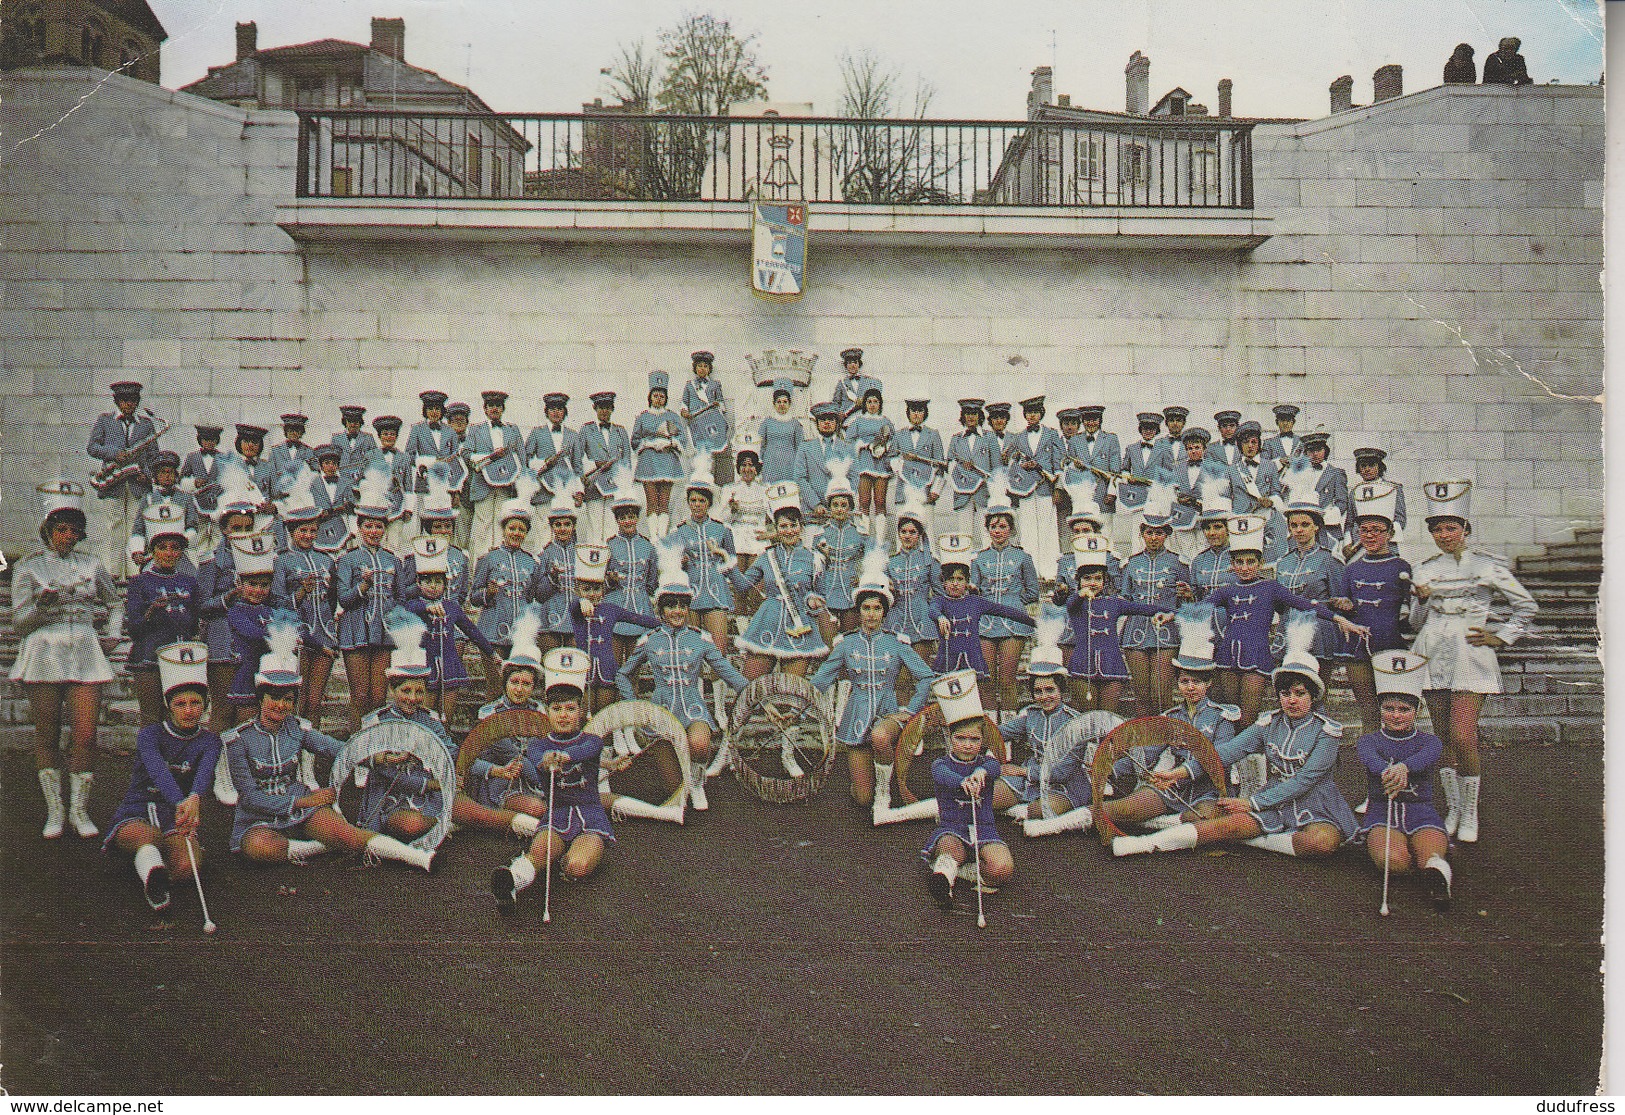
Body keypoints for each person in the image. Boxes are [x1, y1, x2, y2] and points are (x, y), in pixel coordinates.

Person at [1111, 614, 1357, 860]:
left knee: (1322, 844)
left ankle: (1257, 840)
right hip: (1272, 805)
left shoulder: (1327, 732)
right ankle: (1143, 844)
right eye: (1285, 693)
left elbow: (1303, 781)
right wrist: (1181, 772)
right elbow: (1227, 751)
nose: (1291, 700)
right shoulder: (1268, 723)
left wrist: (1253, 803)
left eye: (1299, 693)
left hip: (1315, 804)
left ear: (1313, 696)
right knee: (1222, 826)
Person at [224, 643, 435, 872]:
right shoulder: (239, 740)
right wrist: (305, 802)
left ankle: (416, 857)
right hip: (258, 816)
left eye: (287, 699)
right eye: (273, 697)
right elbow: (250, 798)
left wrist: (377, 758)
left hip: (300, 804)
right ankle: (318, 846)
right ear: (261, 698)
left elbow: (335, 748)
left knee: (348, 835)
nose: (281, 705)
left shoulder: (297, 729)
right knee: (258, 847)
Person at [1410, 480, 1536, 843]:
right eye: (1437, 528)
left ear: (1465, 529)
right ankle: (1451, 809)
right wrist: (1419, 600)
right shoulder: (1425, 568)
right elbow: (1416, 622)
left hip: (1469, 652)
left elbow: (1525, 606)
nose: (1444, 535)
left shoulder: (1488, 566)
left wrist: (1501, 636)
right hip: (1432, 650)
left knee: (1464, 737)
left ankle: (1470, 813)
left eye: (1451, 527)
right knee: (1442, 737)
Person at [354, 611, 535, 844]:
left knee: (479, 813)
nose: (413, 698)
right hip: (393, 797)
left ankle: (535, 827)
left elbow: (456, 755)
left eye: (419, 691)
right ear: (392, 690)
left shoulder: (430, 720)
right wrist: (433, 784)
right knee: (412, 825)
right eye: (405, 691)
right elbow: (390, 776)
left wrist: (495, 771)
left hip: (433, 790)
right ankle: (447, 821)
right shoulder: (376, 723)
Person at [12, 480, 119, 839]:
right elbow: (20, 623)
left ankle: (79, 810)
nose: (69, 536)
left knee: (85, 735)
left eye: (75, 530)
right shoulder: (28, 568)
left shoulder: (92, 563)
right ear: (47, 530)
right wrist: (43, 608)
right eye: (62, 529)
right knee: (48, 734)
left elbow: (114, 601)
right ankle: (54, 812)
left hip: (86, 653)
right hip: (44, 654)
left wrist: (113, 633)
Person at [492, 649, 634, 912]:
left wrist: (564, 755)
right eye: (557, 709)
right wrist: (547, 760)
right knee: (539, 854)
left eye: (570, 709)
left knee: (576, 868)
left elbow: (584, 752)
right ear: (547, 711)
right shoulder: (538, 745)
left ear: (581, 711)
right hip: (556, 815)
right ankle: (512, 882)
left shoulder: (592, 741)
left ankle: (563, 860)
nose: (564, 715)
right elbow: (538, 760)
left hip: (590, 818)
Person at [1202, 514, 1369, 727]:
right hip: (1228, 656)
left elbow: (1304, 604)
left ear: (1261, 563)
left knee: (1248, 719)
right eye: (1239, 562)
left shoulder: (1271, 587)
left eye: (1250, 562)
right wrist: (1170, 613)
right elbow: (1199, 607)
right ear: (1232, 564)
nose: (1244, 567)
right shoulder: (1227, 590)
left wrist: (1339, 619)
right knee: (1230, 716)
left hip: (1259, 656)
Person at [616, 548, 750, 810]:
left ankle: (698, 781)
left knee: (699, 746)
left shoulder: (700, 639)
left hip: (693, 708)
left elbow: (724, 669)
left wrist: (753, 690)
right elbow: (623, 673)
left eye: (682, 605)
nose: (678, 611)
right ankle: (684, 782)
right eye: (671, 606)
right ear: (662, 609)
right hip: (662, 712)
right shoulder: (649, 641)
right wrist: (634, 705)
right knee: (676, 795)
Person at [807, 550, 935, 819]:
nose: (871, 614)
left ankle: (884, 792)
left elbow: (925, 676)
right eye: (866, 607)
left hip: (889, 713)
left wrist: (911, 710)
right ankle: (873, 785)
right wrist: (794, 700)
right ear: (859, 609)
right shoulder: (846, 643)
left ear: (885, 611)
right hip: (855, 714)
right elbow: (820, 680)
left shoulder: (896, 642)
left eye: (877, 608)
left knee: (879, 737)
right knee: (861, 799)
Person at [103, 642, 221, 913]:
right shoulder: (150, 735)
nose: (189, 710)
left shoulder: (210, 741)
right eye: (180, 704)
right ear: (168, 705)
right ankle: (151, 867)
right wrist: (184, 801)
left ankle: (150, 868)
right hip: (140, 805)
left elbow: (204, 774)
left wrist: (194, 799)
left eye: (195, 703)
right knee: (148, 836)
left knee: (186, 868)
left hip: (176, 812)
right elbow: (158, 771)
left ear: (205, 704)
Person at [1100, 606, 1234, 834]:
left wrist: (1178, 774)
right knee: (1116, 810)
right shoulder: (1171, 717)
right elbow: (1146, 752)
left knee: (1203, 819)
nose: (1190, 688)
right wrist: (1111, 769)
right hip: (1172, 787)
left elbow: (1217, 760)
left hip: (1208, 790)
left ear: (1208, 683)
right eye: (1184, 681)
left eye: (1197, 682)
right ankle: (1073, 818)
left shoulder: (1223, 717)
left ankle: (1160, 825)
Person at [1356, 650, 1453, 911]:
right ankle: (1407, 857)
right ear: (1380, 710)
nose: (1396, 715)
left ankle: (1435, 874)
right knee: (1393, 861)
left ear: (1417, 711)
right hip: (1382, 812)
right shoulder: (1368, 741)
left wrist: (1404, 767)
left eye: (1404, 709)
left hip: (1421, 812)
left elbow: (1428, 757)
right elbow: (1371, 761)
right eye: (1389, 708)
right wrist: (1390, 772)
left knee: (1429, 859)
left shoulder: (1430, 741)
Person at [990, 621, 1100, 838]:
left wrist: (1020, 770)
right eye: (1038, 691)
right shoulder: (1031, 715)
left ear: (1061, 689)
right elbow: (998, 733)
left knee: (1039, 811)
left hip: (1066, 784)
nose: (1044, 697)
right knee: (989, 798)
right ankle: (1021, 812)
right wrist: (975, 727)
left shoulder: (1074, 723)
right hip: (1030, 780)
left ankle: (1032, 814)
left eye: (1050, 689)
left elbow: (1059, 773)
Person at [921, 671, 1014, 911]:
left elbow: (994, 767)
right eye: (961, 738)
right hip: (953, 828)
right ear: (950, 738)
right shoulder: (940, 765)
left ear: (982, 741)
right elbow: (944, 776)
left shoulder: (986, 763)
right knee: (950, 853)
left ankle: (961, 873)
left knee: (1002, 869)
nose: (967, 744)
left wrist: (980, 773)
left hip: (984, 829)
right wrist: (963, 782)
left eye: (974, 739)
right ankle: (944, 880)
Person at [1053, 536, 1173, 714]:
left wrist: (1169, 612)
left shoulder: (1114, 602)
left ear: (1104, 581)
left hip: (1111, 665)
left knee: (1108, 717)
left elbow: (1142, 608)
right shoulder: (1075, 602)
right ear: (1079, 581)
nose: (1093, 583)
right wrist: (1080, 593)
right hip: (1082, 666)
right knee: (1088, 718)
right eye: (1087, 578)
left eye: (1098, 578)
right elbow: (1067, 603)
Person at [1336, 482, 1414, 744]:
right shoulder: (1351, 569)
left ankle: (1397, 758)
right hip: (1358, 649)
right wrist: (1343, 607)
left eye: (1377, 530)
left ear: (1390, 533)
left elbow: (1412, 614)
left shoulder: (1401, 566)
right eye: (1364, 530)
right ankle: (1372, 765)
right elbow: (1344, 610)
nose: (1369, 536)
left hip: (1391, 646)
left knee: (1394, 713)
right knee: (1368, 711)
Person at [728, 482, 829, 680]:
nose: (789, 531)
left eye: (793, 525)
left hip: (799, 628)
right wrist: (727, 564)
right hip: (767, 621)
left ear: (801, 527)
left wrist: (814, 602)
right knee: (750, 687)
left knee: (791, 692)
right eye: (783, 526)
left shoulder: (814, 558)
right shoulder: (767, 557)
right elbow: (742, 585)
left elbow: (820, 595)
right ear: (776, 528)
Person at [928, 532, 1036, 710]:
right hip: (949, 659)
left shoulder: (975, 602)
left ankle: (997, 728)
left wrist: (1032, 622)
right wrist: (940, 617)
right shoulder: (940, 601)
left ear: (967, 582)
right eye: (950, 580)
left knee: (982, 689)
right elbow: (933, 610)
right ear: (943, 583)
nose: (955, 584)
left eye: (959, 579)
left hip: (972, 658)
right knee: (952, 699)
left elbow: (1005, 611)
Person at [334, 472, 402, 734]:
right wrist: (363, 586)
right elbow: (343, 598)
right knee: (360, 697)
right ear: (359, 528)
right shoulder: (348, 559)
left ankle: (376, 754)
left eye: (378, 526)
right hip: (356, 630)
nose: (374, 531)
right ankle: (356, 753)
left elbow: (400, 599)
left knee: (378, 698)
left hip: (384, 633)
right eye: (368, 526)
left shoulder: (393, 560)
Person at [399, 536, 496, 720]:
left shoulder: (451, 607)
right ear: (419, 583)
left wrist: (491, 653)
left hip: (450, 665)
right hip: (425, 665)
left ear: (445, 584)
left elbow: (472, 631)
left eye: (438, 582)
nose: (433, 586)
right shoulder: (415, 605)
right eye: (428, 582)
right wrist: (426, 607)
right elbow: (405, 609)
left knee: (445, 718)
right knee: (424, 718)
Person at [124, 503, 201, 727]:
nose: (169, 553)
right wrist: (151, 612)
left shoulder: (190, 582)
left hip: (182, 659)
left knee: (178, 720)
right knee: (151, 719)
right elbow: (133, 629)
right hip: (149, 657)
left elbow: (194, 623)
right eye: (163, 547)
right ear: (152, 549)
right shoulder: (140, 582)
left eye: (175, 547)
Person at [1118, 483, 1188, 717]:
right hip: (1135, 630)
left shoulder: (1179, 563)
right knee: (1142, 694)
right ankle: (1145, 744)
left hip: (1166, 631)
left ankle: (1165, 744)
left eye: (1159, 532)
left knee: (1162, 693)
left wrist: (1176, 610)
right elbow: (1124, 599)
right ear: (1142, 533)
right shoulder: (1131, 563)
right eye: (1149, 532)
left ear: (1167, 534)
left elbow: (1187, 604)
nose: (1154, 537)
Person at [973, 477, 1040, 718]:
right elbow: (974, 592)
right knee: (986, 678)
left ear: (1011, 529)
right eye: (994, 526)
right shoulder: (979, 559)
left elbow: (1033, 592)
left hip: (1013, 623)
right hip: (985, 624)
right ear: (988, 529)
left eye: (1003, 526)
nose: (998, 531)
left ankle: (1009, 732)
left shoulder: (1023, 557)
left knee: (1008, 679)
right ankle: (991, 731)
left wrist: (1012, 599)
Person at [271, 499, 339, 731]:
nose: (308, 535)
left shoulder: (327, 560)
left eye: (313, 531)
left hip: (325, 633)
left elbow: (332, 598)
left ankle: (312, 754)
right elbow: (278, 602)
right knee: (296, 700)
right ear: (291, 531)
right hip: (296, 635)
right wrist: (301, 593)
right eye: (303, 530)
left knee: (314, 701)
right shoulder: (281, 560)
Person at [566, 542, 658, 714]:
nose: (592, 594)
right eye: (586, 589)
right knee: (584, 715)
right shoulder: (577, 610)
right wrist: (580, 601)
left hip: (606, 670)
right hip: (584, 671)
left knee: (604, 715)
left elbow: (638, 619)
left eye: (596, 589)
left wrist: (664, 624)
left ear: (603, 589)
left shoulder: (610, 609)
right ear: (578, 590)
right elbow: (573, 607)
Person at [86, 381, 157, 582]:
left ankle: (134, 573)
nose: (128, 405)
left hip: (137, 482)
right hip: (113, 482)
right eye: (124, 401)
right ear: (116, 401)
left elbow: (154, 455)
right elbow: (92, 447)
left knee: (135, 526)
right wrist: (114, 454)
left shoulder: (146, 424)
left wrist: (148, 474)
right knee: (114, 526)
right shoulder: (105, 420)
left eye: (133, 401)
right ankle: (113, 572)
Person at [471, 496, 540, 702]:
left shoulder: (531, 563)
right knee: (495, 688)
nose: (516, 533)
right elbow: (474, 597)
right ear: (504, 529)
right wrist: (489, 593)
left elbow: (530, 597)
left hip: (520, 636)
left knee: (518, 693)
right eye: (512, 528)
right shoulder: (488, 559)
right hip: (492, 632)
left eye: (521, 529)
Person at [668, 458, 738, 655]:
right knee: (691, 651)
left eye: (701, 501)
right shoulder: (679, 531)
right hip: (690, 592)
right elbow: (669, 566)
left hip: (716, 591)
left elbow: (732, 563)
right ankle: (696, 687)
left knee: (719, 651)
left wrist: (721, 555)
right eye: (693, 500)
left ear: (709, 502)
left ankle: (717, 687)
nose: (697, 505)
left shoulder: (722, 529)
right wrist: (678, 562)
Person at [223, 534, 288, 722]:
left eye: (264, 585)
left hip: (270, 674)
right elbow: (252, 633)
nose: (258, 590)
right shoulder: (236, 611)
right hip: (248, 674)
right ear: (240, 584)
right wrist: (281, 636)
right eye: (252, 584)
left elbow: (294, 628)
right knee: (247, 724)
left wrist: (318, 646)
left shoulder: (271, 610)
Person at [465, 389, 524, 561]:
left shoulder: (512, 430)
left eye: (498, 406)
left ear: (502, 408)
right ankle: (479, 568)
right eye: (491, 406)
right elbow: (466, 454)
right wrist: (486, 459)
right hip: (483, 485)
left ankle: (501, 564)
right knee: (482, 526)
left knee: (502, 523)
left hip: (506, 486)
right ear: (485, 409)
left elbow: (521, 457)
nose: (494, 409)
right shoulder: (476, 430)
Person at [811, 460, 866, 644]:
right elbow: (813, 566)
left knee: (850, 640)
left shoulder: (860, 534)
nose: (840, 509)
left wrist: (863, 576)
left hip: (850, 592)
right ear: (829, 507)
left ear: (850, 507)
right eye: (835, 505)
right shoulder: (820, 534)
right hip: (826, 591)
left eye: (844, 505)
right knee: (829, 642)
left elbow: (872, 559)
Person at [631, 371, 688, 539]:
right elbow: (634, 440)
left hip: (667, 460)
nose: (658, 399)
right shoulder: (643, 417)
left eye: (662, 396)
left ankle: (662, 536)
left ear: (666, 398)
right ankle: (653, 538)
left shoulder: (672, 416)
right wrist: (648, 443)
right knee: (651, 501)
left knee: (664, 501)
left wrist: (670, 443)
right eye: (655, 395)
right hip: (649, 461)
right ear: (650, 397)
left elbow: (682, 438)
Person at [573, 390, 631, 545]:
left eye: (607, 407)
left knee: (612, 525)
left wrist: (624, 485)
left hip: (615, 486)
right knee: (594, 525)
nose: (604, 411)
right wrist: (593, 465)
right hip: (594, 485)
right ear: (595, 409)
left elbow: (627, 461)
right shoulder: (586, 430)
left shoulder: (620, 431)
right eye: (600, 407)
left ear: (612, 409)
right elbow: (577, 459)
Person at [843, 387, 894, 543]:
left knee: (880, 502)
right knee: (864, 501)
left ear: (880, 404)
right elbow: (849, 442)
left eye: (876, 402)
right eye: (869, 401)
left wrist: (884, 448)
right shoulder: (858, 421)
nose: (872, 405)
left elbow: (893, 440)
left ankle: (879, 541)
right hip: (864, 462)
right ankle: (864, 539)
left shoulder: (885, 421)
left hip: (880, 464)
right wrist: (862, 445)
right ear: (865, 403)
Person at [531, 499, 582, 652]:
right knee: (550, 663)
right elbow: (538, 594)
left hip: (576, 616)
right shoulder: (544, 554)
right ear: (552, 527)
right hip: (549, 615)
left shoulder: (581, 553)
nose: (562, 529)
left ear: (573, 527)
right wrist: (552, 578)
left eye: (567, 524)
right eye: (557, 525)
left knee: (575, 664)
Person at [718, 432, 770, 572]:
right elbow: (722, 520)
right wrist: (732, 510)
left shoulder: (766, 490)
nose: (747, 469)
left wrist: (769, 534)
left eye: (751, 465)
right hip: (736, 539)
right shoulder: (729, 489)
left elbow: (774, 519)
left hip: (758, 538)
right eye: (743, 465)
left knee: (755, 585)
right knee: (738, 584)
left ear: (757, 467)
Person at [793, 401, 853, 521]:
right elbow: (800, 478)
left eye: (831, 419)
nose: (826, 423)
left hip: (840, 514)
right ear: (816, 423)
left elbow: (854, 477)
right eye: (822, 419)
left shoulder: (847, 447)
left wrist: (843, 503)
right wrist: (816, 504)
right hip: (813, 514)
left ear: (836, 423)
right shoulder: (805, 447)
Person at [946, 399, 995, 542]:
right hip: (962, 493)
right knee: (964, 533)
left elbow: (997, 467)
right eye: (967, 414)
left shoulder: (989, 437)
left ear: (980, 416)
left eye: (974, 413)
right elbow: (949, 464)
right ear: (963, 416)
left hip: (984, 493)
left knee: (987, 533)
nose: (971, 417)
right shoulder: (956, 439)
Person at [179, 423, 225, 562]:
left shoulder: (223, 458)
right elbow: (182, 479)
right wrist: (193, 482)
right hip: (198, 505)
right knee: (200, 537)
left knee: (219, 536)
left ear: (217, 441)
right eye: (205, 439)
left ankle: (217, 565)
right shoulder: (192, 457)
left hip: (218, 505)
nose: (209, 443)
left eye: (212, 440)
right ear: (200, 440)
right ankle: (200, 565)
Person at [681, 350, 730, 472]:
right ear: (695, 368)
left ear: (709, 369)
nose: (702, 369)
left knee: (713, 455)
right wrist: (685, 412)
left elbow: (722, 404)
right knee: (700, 454)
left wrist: (717, 406)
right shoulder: (689, 386)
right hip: (697, 424)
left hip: (712, 423)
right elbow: (684, 404)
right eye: (699, 366)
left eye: (705, 366)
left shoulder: (715, 385)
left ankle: (711, 480)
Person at [891, 398, 945, 507]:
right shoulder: (899, 434)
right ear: (908, 413)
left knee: (927, 523)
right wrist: (900, 462)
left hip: (926, 491)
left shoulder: (933, 434)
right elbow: (890, 458)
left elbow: (940, 466)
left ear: (925, 413)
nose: (916, 414)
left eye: (920, 411)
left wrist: (936, 491)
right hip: (904, 491)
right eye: (913, 410)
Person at [757, 380, 803, 485]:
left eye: (785, 402)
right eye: (779, 402)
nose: (782, 405)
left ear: (789, 404)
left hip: (790, 464)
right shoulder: (767, 423)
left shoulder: (795, 424)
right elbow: (760, 445)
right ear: (774, 404)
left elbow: (800, 448)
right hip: (770, 464)